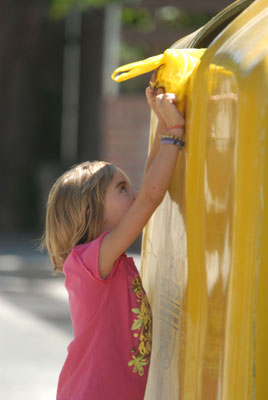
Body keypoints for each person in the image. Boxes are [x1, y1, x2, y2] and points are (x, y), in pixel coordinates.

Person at [42, 86, 185, 400]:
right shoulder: (89, 262)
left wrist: (161, 119)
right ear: (92, 211)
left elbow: (147, 185)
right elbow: (150, 197)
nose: (132, 194)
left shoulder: (105, 258)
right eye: (122, 189)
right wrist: (175, 132)